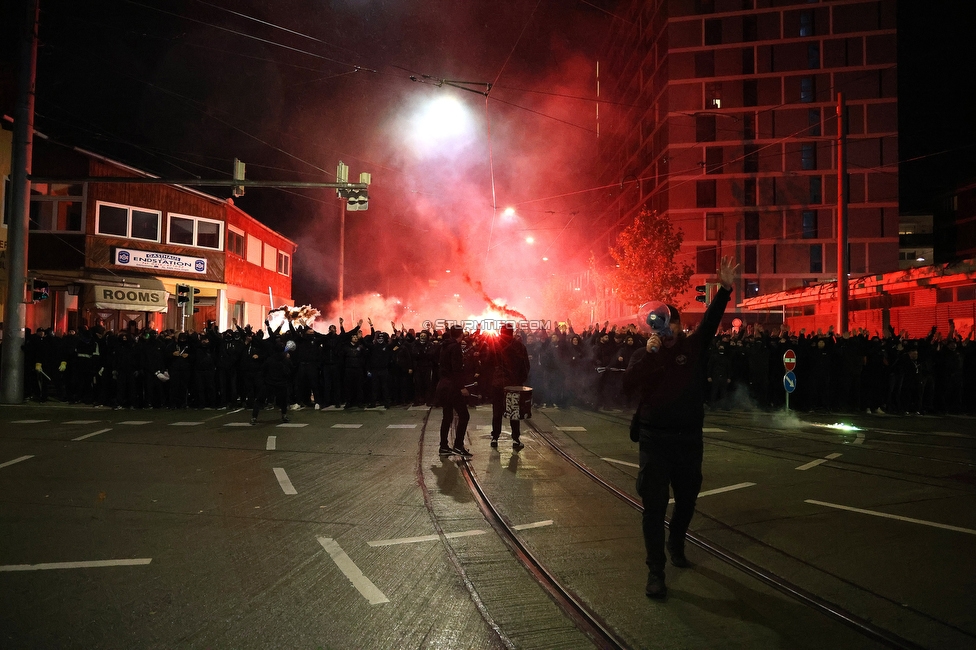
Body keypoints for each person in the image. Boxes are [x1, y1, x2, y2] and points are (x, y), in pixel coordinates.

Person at [624, 256, 737, 599]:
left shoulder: (693, 346)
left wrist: (725, 289)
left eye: (669, 323)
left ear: (678, 324)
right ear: (650, 327)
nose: (664, 329)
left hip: (688, 440)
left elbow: (712, 320)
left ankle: (676, 542)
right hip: (654, 440)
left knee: (687, 501)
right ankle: (655, 571)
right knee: (654, 507)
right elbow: (628, 387)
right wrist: (648, 355)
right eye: (657, 324)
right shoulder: (644, 355)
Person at [487, 323, 531, 450]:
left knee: (497, 411)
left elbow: (488, 363)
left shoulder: (495, 345)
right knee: (514, 412)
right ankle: (516, 438)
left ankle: (495, 437)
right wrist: (520, 380)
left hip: (498, 383)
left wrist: (492, 379)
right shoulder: (519, 346)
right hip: (514, 384)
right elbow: (525, 366)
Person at [434, 325, 472, 457]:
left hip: (443, 385)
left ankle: (443, 446)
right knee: (464, 415)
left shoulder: (444, 345)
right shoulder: (455, 347)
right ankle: (458, 445)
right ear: (461, 335)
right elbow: (456, 369)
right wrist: (462, 387)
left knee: (447, 417)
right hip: (452, 387)